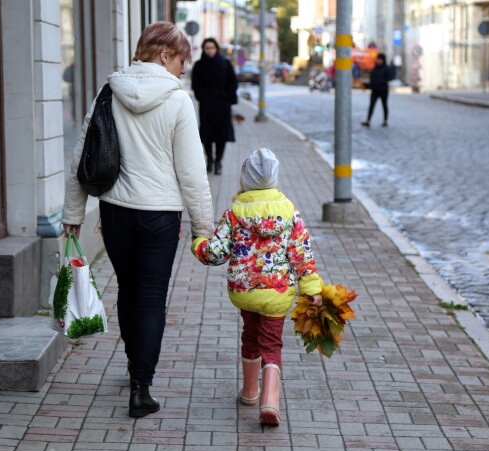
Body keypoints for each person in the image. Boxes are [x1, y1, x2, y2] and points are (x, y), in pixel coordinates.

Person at [62, 22, 214, 418]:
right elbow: (193, 173)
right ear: (164, 55)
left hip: (114, 213)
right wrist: (205, 229)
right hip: (160, 216)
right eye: (182, 59)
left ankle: (133, 367)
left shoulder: (108, 91)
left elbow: (83, 156)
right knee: (150, 298)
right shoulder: (179, 101)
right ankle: (141, 388)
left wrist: (73, 213)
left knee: (128, 291)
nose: (184, 69)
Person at [191, 148, 323, 426]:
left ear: (246, 179)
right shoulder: (289, 211)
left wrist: (197, 243)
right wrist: (312, 288)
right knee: (271, 343)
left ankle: (249, 392)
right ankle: (270, 401)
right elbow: (301, 254)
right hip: (277, 292)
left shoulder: (235, 212)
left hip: (245, 290)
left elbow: (214, 253)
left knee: (250, 336)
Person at [191, 38, 238, 175]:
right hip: (207, 105)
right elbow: (196, 85)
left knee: (221, 135)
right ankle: (209, 160)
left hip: (223, 105)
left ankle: (218, 161)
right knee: (207, 134)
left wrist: (227, 96)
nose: (209, 50)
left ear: (216, 48)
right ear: (203, 49)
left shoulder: (225, 63)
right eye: (207, 48)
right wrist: (202, 97)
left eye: (212, 47)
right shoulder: (199, 65)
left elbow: (233, 83)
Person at [361, 52, 395, 127]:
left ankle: (385, 120)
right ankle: (368, 120)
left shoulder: (386, 68)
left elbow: (391, 76)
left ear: (383, 60)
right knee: (371, 105)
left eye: (380, 59)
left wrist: (382, 81)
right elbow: (372, 77)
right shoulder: (375, 68)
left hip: (383, 90)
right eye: (378, 59)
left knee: (384, 105)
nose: (378, 61)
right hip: (375, 90)